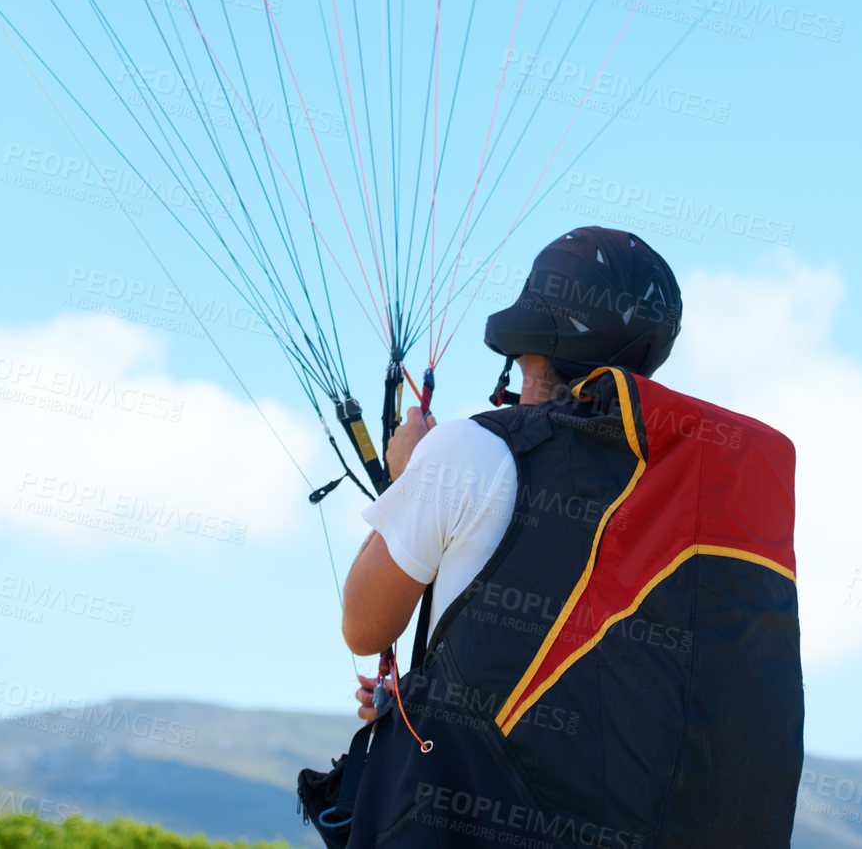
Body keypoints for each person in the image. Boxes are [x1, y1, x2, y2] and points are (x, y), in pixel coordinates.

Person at [336, 226, 804, 849]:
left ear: (529, 342)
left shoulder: (469, 451)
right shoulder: (667, 490)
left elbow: (364, 626)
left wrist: (410, 475)